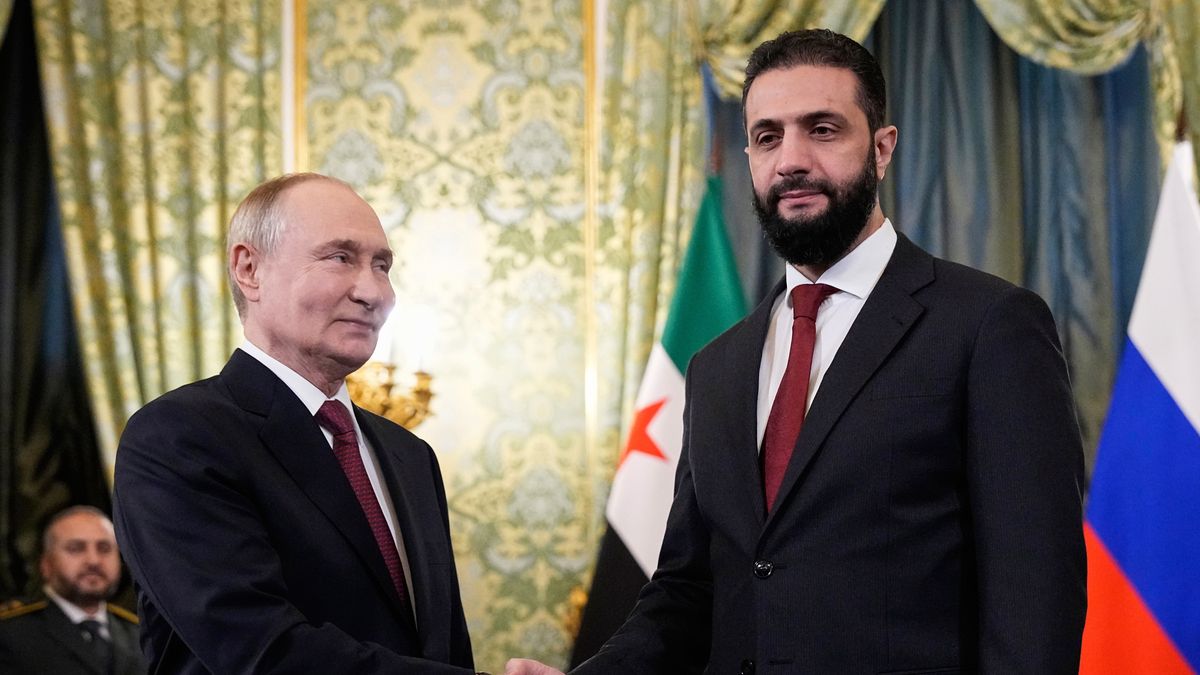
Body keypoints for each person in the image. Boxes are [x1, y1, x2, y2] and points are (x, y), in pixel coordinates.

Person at [509, 29, 1086, 675]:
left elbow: (1035, 589)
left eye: (822, 128)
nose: (791, 159)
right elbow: (688, 590)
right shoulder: (715, 366)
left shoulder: (989, 324)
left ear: (882, 147)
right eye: (767, 136)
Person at [113, 173, 483, 673]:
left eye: (383, 265)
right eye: (340, 257)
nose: (374, 292)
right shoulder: (179, 436)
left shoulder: (409, 454)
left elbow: (443, 647)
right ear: (250, 269)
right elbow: (261, 652)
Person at [0, 506, 146, 674]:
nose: (93, 560)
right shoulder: (10, 633)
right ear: (45, 564)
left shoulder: (139, 635)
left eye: (104, 548)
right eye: (76, 548)